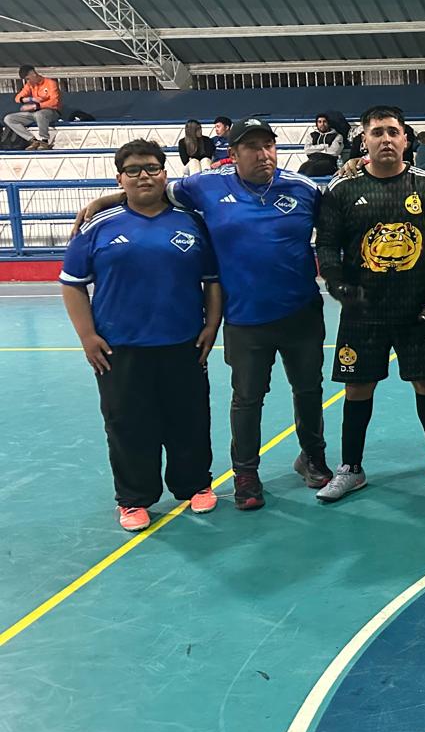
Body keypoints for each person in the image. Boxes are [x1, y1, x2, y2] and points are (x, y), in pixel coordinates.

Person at [73, 118, 332, 511]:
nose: (263, 154)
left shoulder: (304, 188)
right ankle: (245, 473)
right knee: (247, 398)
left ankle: (312, 456)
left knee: (309, 390)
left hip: (301, 313)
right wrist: (105, 201)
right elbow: (152, 187)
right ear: (234, 153)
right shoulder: (205, 185)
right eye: (252, 147)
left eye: (268, 145)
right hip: (244, 318)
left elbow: (335, 224)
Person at [61, 139, 222, 532]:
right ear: (120, 178)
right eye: (132, 170)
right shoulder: (97, 226)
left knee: (189, 418)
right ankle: (133, 498)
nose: (143, 176)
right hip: (120, 349)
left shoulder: (192, 222)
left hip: (183, 344)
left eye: (151, 168)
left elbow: (212, 280)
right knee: (128, 424)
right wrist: (87, 336)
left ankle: (195, 484)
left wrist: (212, 324)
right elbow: (72, 283)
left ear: (164, 174)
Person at [313, 106, 425, 501]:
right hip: (363, 312)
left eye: (393, 132)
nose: (386, 139)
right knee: (358, 387)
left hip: (417, 310)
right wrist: (338, 286)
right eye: (377, 132)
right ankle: (351, 468)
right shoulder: (342, 189)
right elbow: (326, 244)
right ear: (364, 140)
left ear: (405, 139)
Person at [6, 65, 61, 150]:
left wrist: (35, 106)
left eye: (28, 79)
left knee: (40, 114)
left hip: (51, 112)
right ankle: (33, 141)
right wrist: (30, 99)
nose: (27, 81)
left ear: (33, 74)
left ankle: (45, 141)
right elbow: (17, 98)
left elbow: (54, 102)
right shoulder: (30, 85)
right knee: (9, 118)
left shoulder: (50, 83)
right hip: (35, 113)